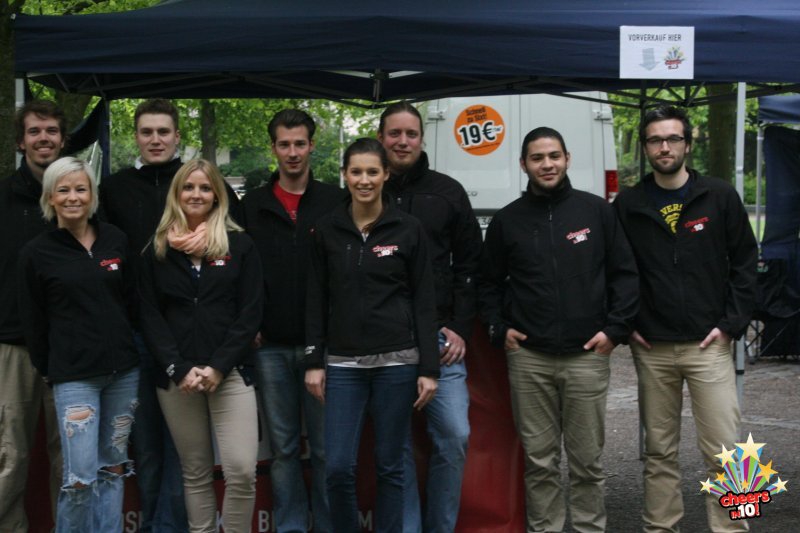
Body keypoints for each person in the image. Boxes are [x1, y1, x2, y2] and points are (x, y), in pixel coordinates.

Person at [480, 127, 639, 532]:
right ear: (524, 164)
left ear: (567, 158)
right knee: (540, 461)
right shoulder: (507, 221)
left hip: (587, 355)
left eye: (554, 156)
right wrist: (500, 328)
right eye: (537, 158)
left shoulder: (596, 212)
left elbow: (624, 274)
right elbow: (487, 283)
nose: (547, 164)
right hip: (529, 359)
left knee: (587, 461)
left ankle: (589, 527)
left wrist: (614, 331)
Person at [614, 105, 757, 533]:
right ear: (645, 148)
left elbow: (746, 262)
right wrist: (628, 323)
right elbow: (616, 270)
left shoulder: (719, 196)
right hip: (652, 347)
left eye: (673, 138)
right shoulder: (629, 204)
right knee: (659, 452)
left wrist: (731, 324)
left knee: (729, 450)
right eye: (656, 140)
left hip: (709, 345)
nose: (665, 147)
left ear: (688, 145)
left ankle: (736, 529)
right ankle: (660, 528)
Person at [100, 98, 238, 532]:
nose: (155, 139)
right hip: (136, 334)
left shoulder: (203, 183)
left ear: (178, 135)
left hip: (193, 336)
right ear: (136, 137)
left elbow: (240, 250)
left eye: (163, 131)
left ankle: (172, 527)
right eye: (147, 132)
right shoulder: (114, 190)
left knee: (187, 449)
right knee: (146, 444)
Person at [304, 138, 439, 532]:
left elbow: (424, 301)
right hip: (342, 364)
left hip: (397, 363)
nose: (364, 180)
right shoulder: (326, 230)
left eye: (372, 172)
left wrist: (429, 368)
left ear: (386, 175)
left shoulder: (409, 229)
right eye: (356, 172)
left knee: (391, 466)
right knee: (337, 467)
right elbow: (315, 299)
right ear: (345, 176)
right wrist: (314, 360)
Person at [138, 159, 263, 533]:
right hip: (178, 378)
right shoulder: (156, 251)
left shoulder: (240, 245)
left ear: (217, 196)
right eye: (188, 187)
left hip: (230, 372)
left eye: (205, 188)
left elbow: (250, 312)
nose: (196, 194)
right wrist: (178, 368)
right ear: (176, 194)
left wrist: (219, 366)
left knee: (241, 470)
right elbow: (149, 316)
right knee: (194, 472)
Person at [18, 156, 140, 533]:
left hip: (123, 376)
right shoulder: (36, 253)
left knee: (113, 470)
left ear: (92, 196)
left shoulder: (116, 240)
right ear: (50, 198)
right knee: (80, 478)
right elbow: (33, 322)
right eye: (64, 190)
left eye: (81, 189)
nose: (73, 197)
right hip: (75, 380)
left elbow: (133, 303)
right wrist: (50, 368)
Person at [377, 102, 482, 533]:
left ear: (422, 139)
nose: (403, 142)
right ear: (381, 137)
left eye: (411, 134)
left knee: (454, 436)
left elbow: (471, 265)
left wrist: (459, 326)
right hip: (385, 340)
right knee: (395, 444)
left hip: (440, 339)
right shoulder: (366, 189)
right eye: (395, 133)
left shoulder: (448, 192)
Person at [242, 109, 342, 532]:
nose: (293, 152)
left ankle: (329, 526)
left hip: (324, 346)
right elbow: (240, 272)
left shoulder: (335, 201)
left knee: (324, 449)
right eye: (284, 144)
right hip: (270, 346)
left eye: (300, 143)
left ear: (312, 146)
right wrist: (251, 324)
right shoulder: (252, 206)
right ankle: (291, 527)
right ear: (273, 149)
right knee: (283, 449)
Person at [0, 99, 64, 531]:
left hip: (68, 349)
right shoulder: (3, 197)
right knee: (10, 454)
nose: (44, 138)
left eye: (51, 131)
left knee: (71, 458)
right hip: (12, 345)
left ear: (63, 139)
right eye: (35, 131)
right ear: (21, 142)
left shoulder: (81, 196)